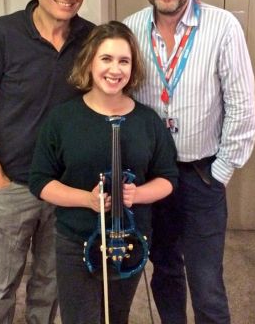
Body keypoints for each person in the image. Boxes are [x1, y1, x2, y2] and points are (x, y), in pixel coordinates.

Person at [123, 0, 255, 324]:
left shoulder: (222, 28)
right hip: (151, 179)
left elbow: (242, 109)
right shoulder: (129, 30)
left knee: (207, 284)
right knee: (164, 273)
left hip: (202, 176)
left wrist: (220, 173)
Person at [0, 0, 94, 324]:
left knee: (50, 285)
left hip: (66, 189)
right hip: (13, 187)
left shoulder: (91, 39)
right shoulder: (2, 33)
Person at [29, 21, 178, 324]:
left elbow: (168, 178)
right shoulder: (62, 119)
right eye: (106, 59)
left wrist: (138, 193)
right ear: (90, 62)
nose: (115, 69)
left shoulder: (148, 120)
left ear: (133, 67)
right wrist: (87, 199)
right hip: (76, 239)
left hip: (129, 238)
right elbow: (40, 181)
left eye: (124, 61)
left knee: (117, 317)